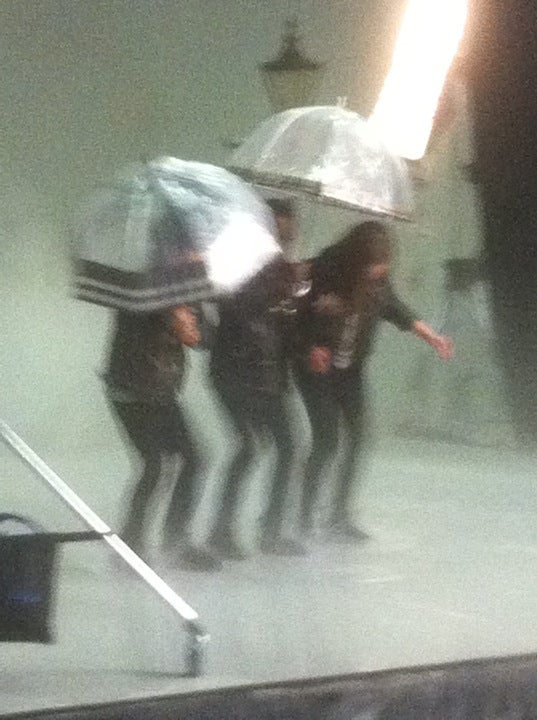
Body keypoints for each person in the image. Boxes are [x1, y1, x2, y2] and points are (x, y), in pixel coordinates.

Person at [295, 221, 453, 542]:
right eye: (374, 263)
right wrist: (312, 344)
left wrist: (433, 338)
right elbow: (299, 315)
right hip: (316, 371)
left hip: (349, 370)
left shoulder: (378, 284)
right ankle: (304, 513)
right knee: (327, 440)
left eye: (384, 263)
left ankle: (339, 515)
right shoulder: (326, 270)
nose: (379, 270)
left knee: (357, 437)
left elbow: (400, 312)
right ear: (357, 258)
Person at [207, 200, 306, 559]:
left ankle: (271, 530)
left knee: (289, 446)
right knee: (248, 446)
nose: (283, 238)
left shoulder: (283, 270)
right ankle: (220, 531)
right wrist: (280, 291)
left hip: (270, 372)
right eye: (278, 231)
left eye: (287, 232)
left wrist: (296, 295)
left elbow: (285, 322)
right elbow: (233, 306)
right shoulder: (238, 262)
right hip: (236, 369)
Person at [104, 306, 220, 571]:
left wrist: (193, 329)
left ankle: (176, 540)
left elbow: (207, 339)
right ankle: (130, 544)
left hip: (163, 391)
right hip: (130, 391)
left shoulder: (185, 291)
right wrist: (169, 319)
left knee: (195, 458)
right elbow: (131, 334)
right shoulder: (140, 298)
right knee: (154, 464)